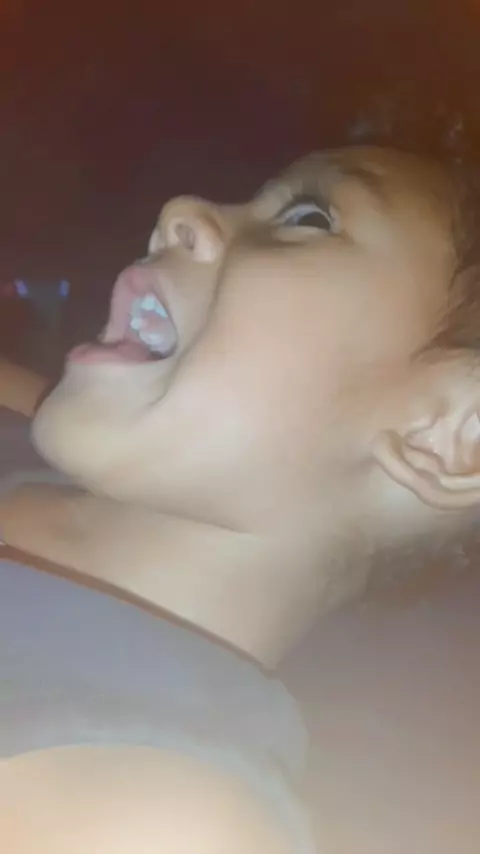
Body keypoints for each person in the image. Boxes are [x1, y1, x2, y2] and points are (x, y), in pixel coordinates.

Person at [2, 144, 480, 851]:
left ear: (444, 434)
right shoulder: (22, 424)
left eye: (310, 218)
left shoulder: (151, 818)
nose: (179, 211)